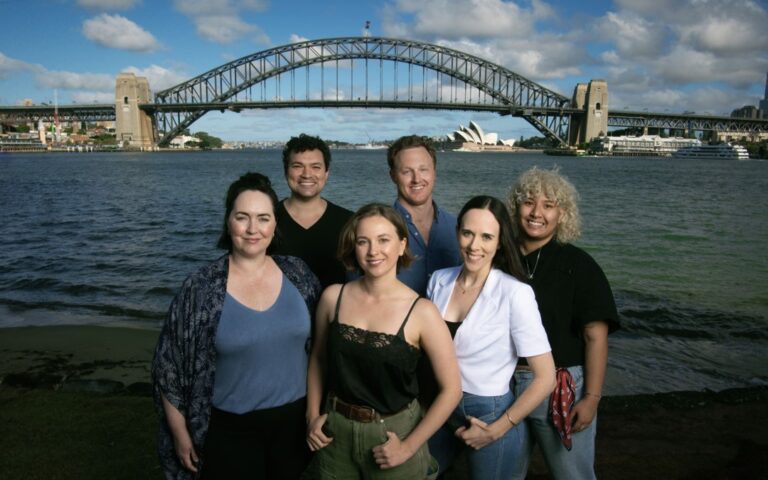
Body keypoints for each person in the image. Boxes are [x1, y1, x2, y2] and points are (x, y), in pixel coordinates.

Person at [152, 172, 321, 480]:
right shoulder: (202, 288)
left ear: (274, 224)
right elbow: (169, 366)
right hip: (229, 431)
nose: (253, 229)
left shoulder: (300, 276)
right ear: (228, 222)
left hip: (294, 427)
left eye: (263, 218)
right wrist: (180, 433)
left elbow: (320, 351)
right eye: (242, 217)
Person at [303, 203, 462, 479]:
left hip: (394, 435)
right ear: (354, 247)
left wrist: (409, 447)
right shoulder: (332, 297)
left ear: (401, 245)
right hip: (334, 433)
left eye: (383, 240)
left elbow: (452, 391)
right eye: (363, 241)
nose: (373, 251)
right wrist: (311, 416)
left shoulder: (422, 312)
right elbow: (318, 358)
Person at [426, 195, 556, 479]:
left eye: (487, 237)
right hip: (440, 404)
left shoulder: (515, 293)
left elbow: (546, 377)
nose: (475, 246)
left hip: (489, 412)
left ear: (499, 243)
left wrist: (497, 429)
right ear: (457, 231)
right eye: (468, 233)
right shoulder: (439, 280)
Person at [508, 167, 620, 480]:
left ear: (563, 213)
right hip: (502, 384)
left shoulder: (580, 266)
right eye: (528, 202)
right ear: (515, 207)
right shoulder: (500, 261)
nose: (536, 212)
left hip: (561, 386)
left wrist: (592, 398)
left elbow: (595, 337)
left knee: (573, 476)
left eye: (548, 205)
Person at [270, 133, 352, 289]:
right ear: (286, 172)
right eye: (297, 166)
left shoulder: (349, 222)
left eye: (316, 167)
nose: (307, 174)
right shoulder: (266, 221)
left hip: (336, 312)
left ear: (326, 173)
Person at [388, 135, 461, 296]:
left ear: (434, 172)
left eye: (423, 169)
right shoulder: (377, 230)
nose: (417, 179)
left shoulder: (457, 227)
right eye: (406, 171)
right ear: (393, 176)